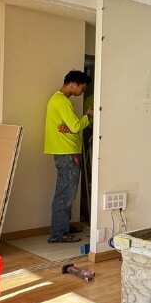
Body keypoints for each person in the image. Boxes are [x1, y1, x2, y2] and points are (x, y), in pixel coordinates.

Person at [44, 70, 93, 243]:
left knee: (65, 192)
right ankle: (59, 234)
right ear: (73, 84)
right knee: (65, 194)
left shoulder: (56, 99)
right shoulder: (62, 101)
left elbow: (69, 126)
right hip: (67, 153)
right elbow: (75, 126)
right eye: (82, 88)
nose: (82, 91)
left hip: (63, 152)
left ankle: (63, 226)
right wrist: (88, 115)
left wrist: (71, 127)